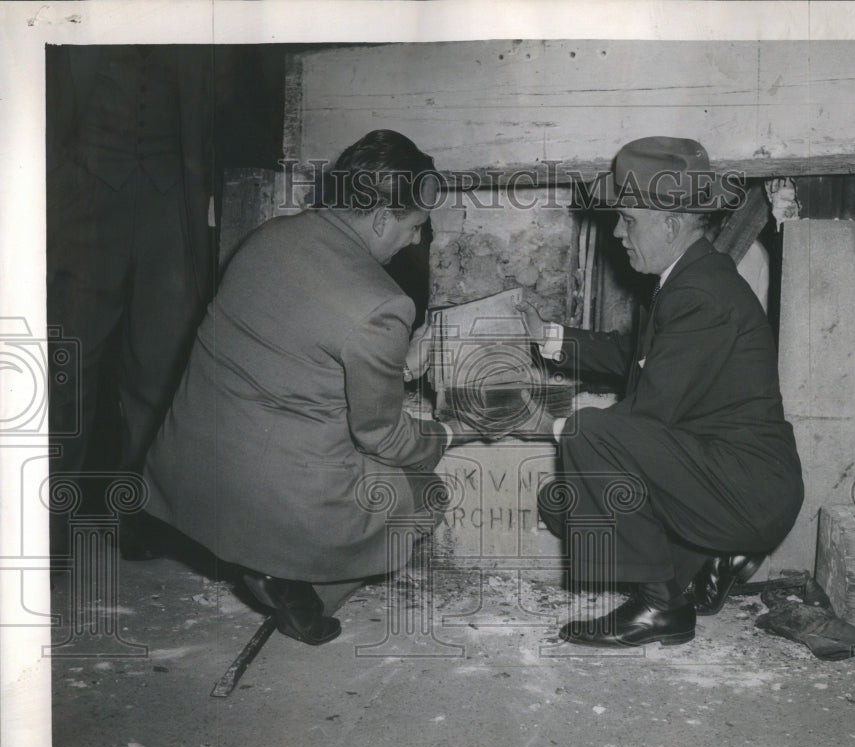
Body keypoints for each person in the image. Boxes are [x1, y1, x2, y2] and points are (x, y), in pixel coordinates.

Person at [142, 130, 474, 645]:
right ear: (384, 217)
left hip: (189, 475)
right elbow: (381, 437)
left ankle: (267, 559)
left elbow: (297, 356)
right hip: (272, 500)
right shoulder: (383, 303)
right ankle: (294, 581)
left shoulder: (268, 237)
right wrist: (447, 434)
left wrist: (399, 365)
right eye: (416, 227)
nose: (415, 241)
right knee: (425, 492)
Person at [516, 136, 804, 648]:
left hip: (747, 487)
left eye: (628, 220)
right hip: (723, 470)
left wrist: (550, 425)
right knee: (562, 503)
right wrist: (552, 339)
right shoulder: (686, 278)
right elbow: (637, 357)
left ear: (670, 224)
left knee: (588, 436)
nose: (617, 231)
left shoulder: (699, 295)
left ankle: (660, 607)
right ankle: (714, 558)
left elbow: (645, 419)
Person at [46, 45, 215, 556]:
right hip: (86, 195)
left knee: (161, 372)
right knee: (66, 365)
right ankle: (45, 530)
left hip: (171, 198)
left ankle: (142, 520)